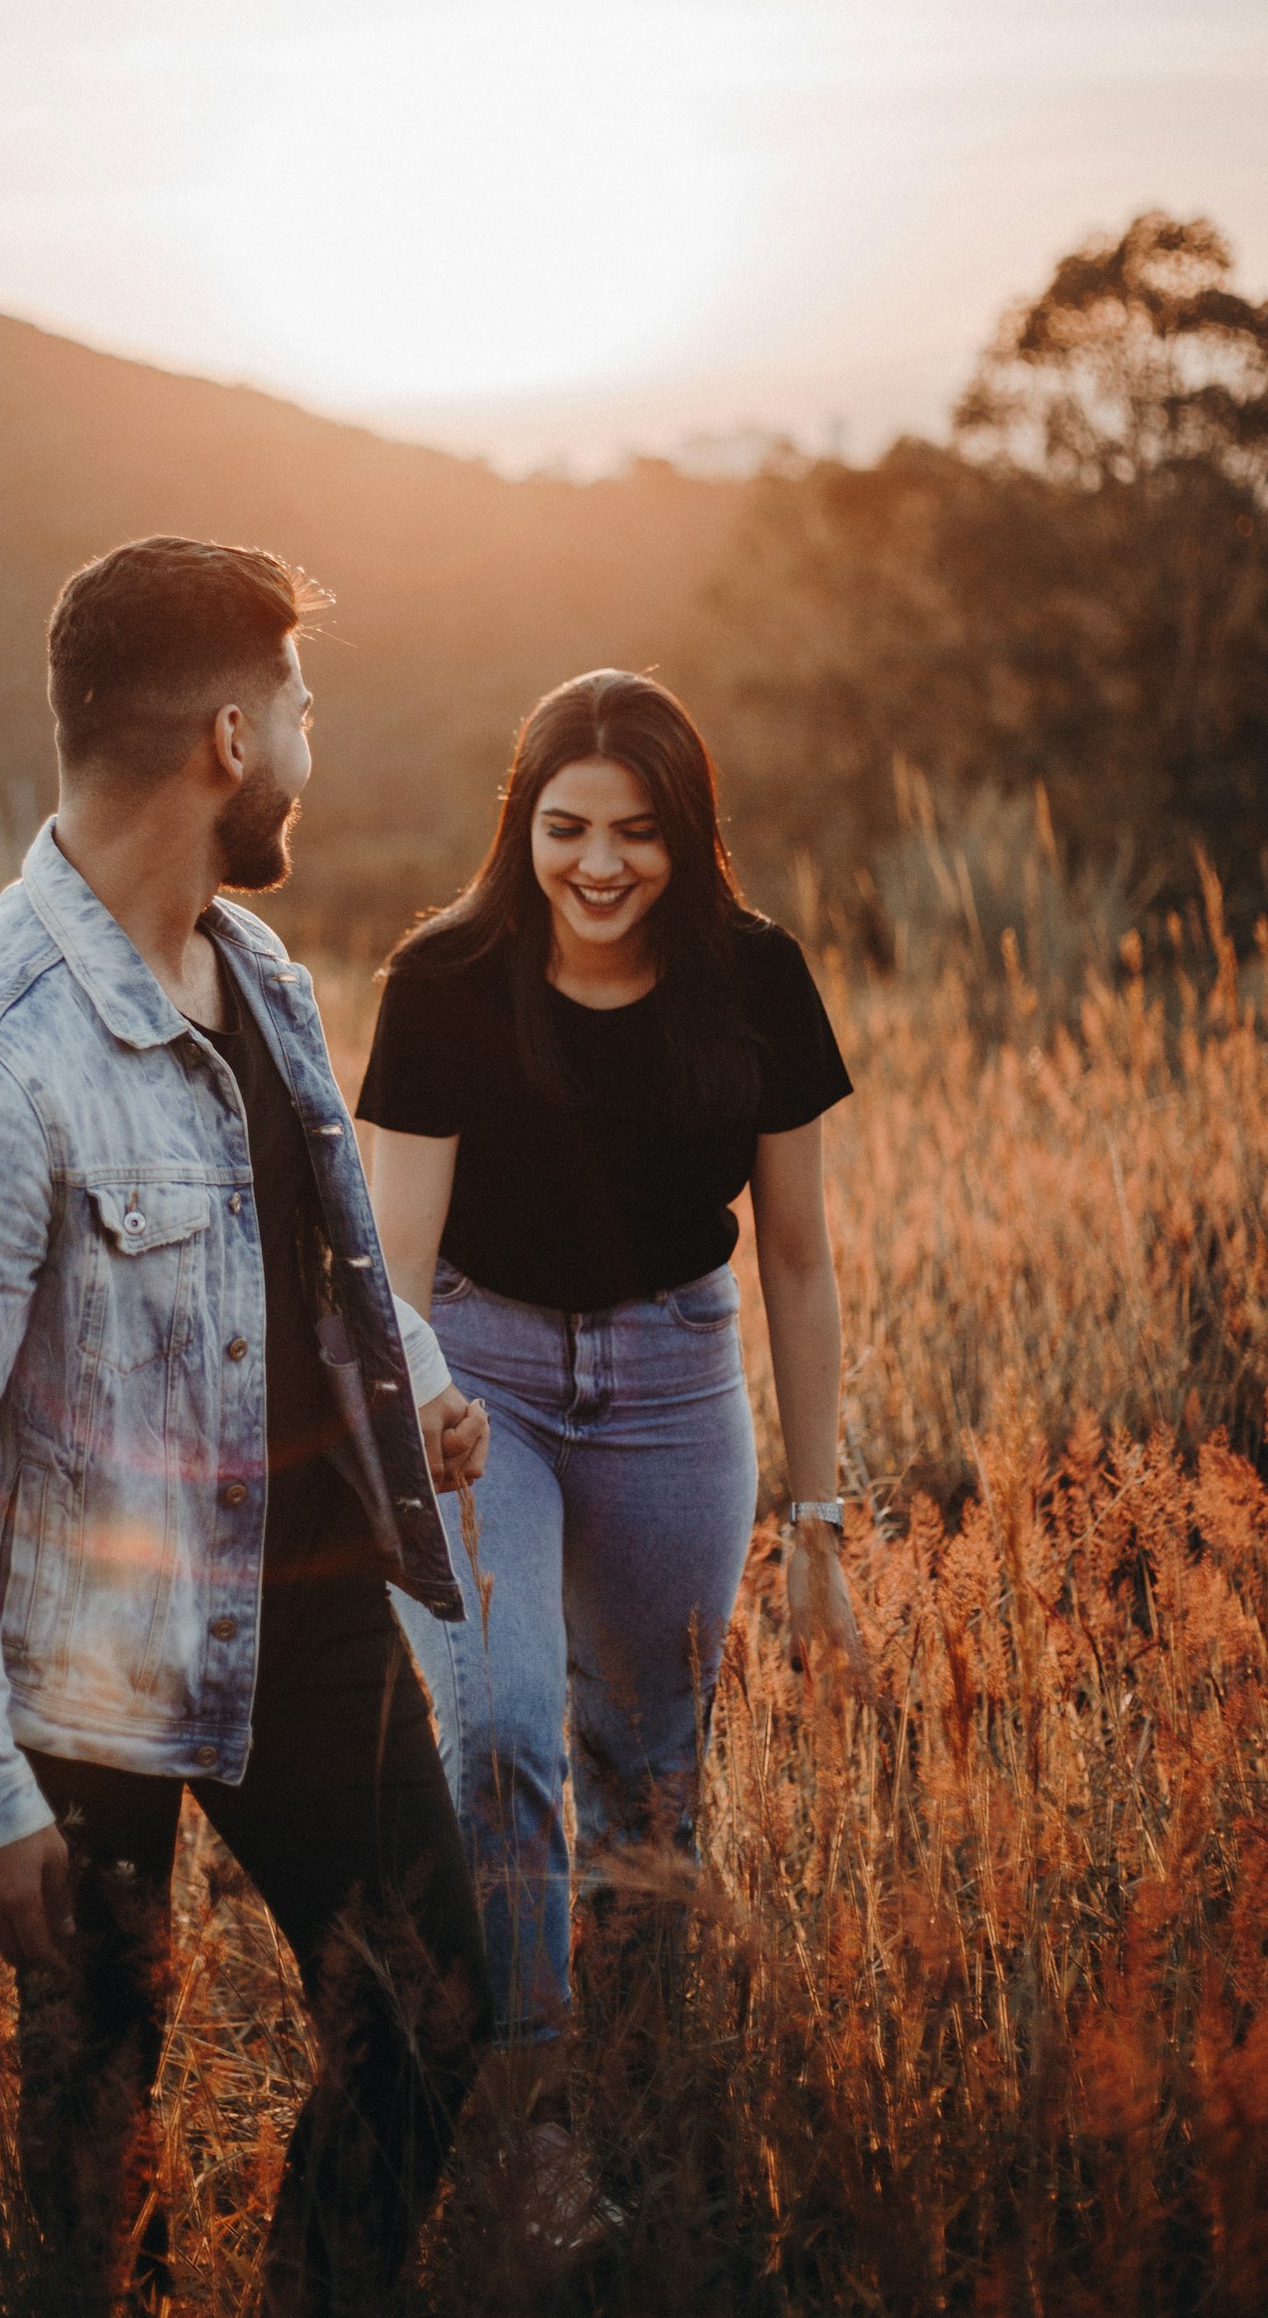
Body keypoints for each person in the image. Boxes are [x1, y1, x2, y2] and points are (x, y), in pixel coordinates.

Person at [0, 536, 493, 2317]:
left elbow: (318, 1252)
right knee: (94, 2166)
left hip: (319, 1614)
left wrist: (418, 1390)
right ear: (229, 735)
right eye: (299, 706)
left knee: (439, 2012)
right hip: (86, 1677)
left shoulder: (255, 963)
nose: (311, 739)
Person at [359, 667, 867, 2216]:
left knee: (650, 1774)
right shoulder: (446, 978)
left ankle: (645, 2092)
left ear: (684, 835)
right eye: (567, 827)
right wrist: (427, 1408)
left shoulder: (757, 978)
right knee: (504, 1732)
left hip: (672, 1376)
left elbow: (794, 1257)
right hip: (478, 1384)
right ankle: (529, 2128)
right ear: (523, 825)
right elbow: (389, 1269)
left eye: (637, 833)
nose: (598, 865)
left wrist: (821, 1523)